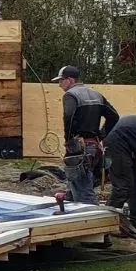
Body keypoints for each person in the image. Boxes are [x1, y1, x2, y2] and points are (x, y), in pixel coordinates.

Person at [56, 65, 119, 205]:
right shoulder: (96, 94)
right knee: (76, 183)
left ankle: (90, 214)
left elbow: (69, 117)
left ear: (70, 80)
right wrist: (100, 136)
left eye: (61, 80)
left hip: (80, 149)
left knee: (84, 192)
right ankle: (69, 206)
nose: (59, 84)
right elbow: (114, 116)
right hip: (94, 147)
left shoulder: (70, 95)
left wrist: (69, 140)